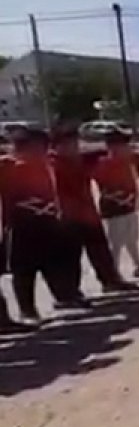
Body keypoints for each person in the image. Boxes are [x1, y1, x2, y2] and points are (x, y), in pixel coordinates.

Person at [0, 128, 77, 325]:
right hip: (21, 225)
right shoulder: (9, 166)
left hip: (47, 222)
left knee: (51, 263)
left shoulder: (45, 165)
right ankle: (28, 310)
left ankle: (63, 296)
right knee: (24, 269)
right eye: (39, 146)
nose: (44, 150)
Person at [50, 125, 135, 296]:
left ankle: (110, 281)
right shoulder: (53, 164)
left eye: (75, 143)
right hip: (67, 217)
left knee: (100, 251)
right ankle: (70, 293)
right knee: (70, 257)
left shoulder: (81, 160)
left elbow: (104, 160)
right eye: (68, 144)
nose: (73, 148)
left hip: (88, 214)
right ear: (57, 146)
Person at [93, 131, 139, 279]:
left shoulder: (127, 162)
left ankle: (138, 266)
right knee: (116, 241)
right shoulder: (104, 163)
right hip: (114, 205)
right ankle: (113, 272)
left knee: (131, 238)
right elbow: (103, 185)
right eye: (124, 145)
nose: (127, 147)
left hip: (129, 203)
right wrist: (119, 197)